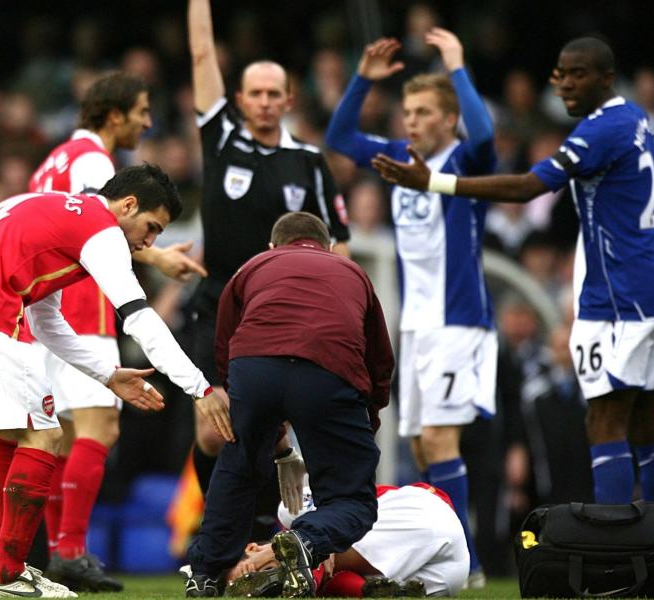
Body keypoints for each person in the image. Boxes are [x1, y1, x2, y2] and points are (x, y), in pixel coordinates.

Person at [371, 36, 654, 507]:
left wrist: (435, 181)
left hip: (620, 295)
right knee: (650, 421)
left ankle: (618, 547)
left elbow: (530, 186)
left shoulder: (601, 129)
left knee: (605, 420)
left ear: (607, 78)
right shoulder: (635, 118)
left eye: (578, 75)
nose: (565, 85)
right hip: (653, 287)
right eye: (560, 74)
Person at [0, 164, 232, 598]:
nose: (149, 243)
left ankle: (2, 568)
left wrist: (108, 374)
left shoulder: (58, 212)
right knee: (46, 437)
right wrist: (200, 388)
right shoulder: (101, 230)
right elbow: (138, 317)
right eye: (151, 227)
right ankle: (9, 573)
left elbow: (47, 323)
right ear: (128, 205)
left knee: (10, 436)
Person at [25, 71, 207, 593]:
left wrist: (155, 256)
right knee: (100, 429)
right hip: (81, 305)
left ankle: (60, 552)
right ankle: (70, 551)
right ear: (114, 114)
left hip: (47, 305)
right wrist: (152, 255)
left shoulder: (54, 158)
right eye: (142, 111)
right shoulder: (93, 161)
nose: (148, 122)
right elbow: (92, 230)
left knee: (60, 438)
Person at [325, 31, 496, 584]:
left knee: (443, 440)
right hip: (417, 324)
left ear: (449, 119)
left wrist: (457, 65)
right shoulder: (398, 157)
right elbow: (339, 135)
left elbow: (487, 130)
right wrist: (363, 81)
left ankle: (465, 560)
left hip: (459, 321)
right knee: (422, 445)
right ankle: (444, 553)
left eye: (424, 112)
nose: (412, 121)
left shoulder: (467, 158)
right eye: (407, 111)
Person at [187, 0, 350, 506]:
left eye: (272, 94)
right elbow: (200, 54)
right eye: (254, 93)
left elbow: (337, 244)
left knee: (273, 433)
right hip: (219, 307)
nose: (263, 101)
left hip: (285, 316)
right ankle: (218, 538)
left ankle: (262, 540)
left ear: (288, 99)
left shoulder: (307, 161)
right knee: (215, 432)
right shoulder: (222, 140)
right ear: (238, 98)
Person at [184, 212, 392, 598]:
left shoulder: (253, 266)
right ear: (330, 247)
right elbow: (380, 357)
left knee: (239, 466)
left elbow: (225, 339)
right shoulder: (352, 271)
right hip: (328, 368)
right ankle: (304, 540)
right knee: (353, 500)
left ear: (272, 247)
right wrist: (371, 415)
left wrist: (248, 406)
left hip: (254, 366)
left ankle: (206, 573)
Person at [224, 481, 469, 598]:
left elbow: (347, 497)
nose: (253, 579)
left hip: (415, 515)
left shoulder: (291, 508)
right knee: (330, 578)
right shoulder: (322, 576)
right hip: (442, 577)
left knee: (296, 526)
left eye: (252, 571)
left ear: (252, 547)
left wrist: (321, 536)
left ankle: (303, 547)